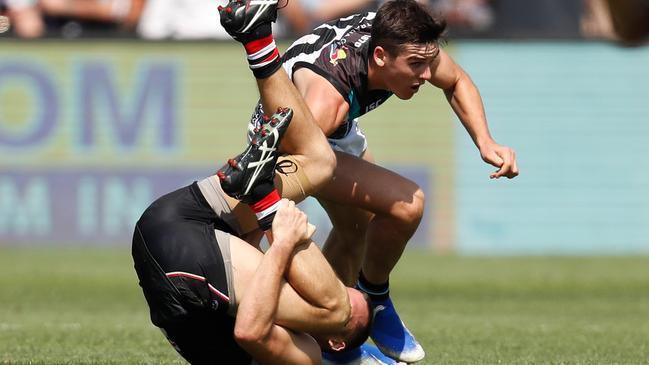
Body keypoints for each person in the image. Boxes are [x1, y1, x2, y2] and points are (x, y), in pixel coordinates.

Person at [217, 0, 519, 363]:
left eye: (428, 62)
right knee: (407, 204)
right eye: (416, 66)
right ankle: (369, 301)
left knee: (357, 230)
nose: (426, 74)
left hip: (335, 133)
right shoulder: (329, 100)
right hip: (295, 141)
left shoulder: (407, 40)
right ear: (379, 56)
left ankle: (334, 341)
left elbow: (456, 80)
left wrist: (486, 142)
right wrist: (253, 240)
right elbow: (281, 164)